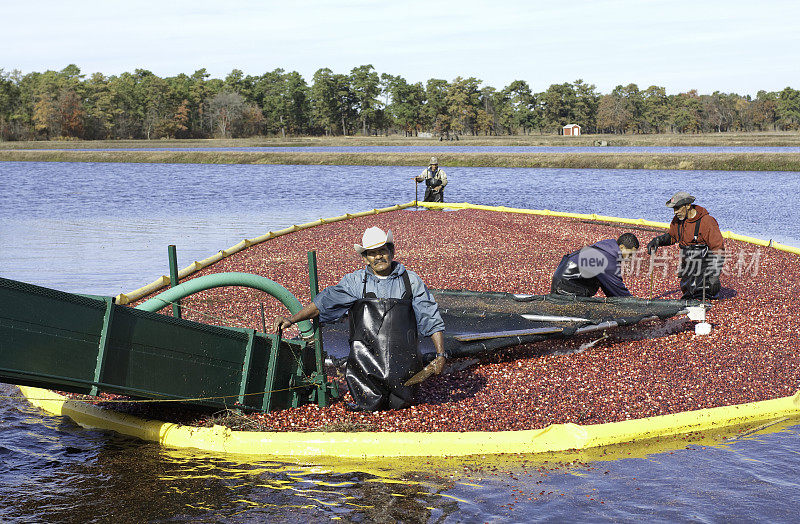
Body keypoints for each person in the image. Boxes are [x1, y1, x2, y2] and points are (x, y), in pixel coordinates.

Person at [273, 226, 446, 412]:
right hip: (366, 366)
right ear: (365, 258)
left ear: (392, 251)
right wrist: (292, 319)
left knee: (401, 406)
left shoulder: (410, 281)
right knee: (370, 406)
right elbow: (323, 303)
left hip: (403, 366)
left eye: (382, 251)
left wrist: (441, 354)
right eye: (372, 254)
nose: (378, 257)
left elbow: (430, 316)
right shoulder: (355, 282)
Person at [646, 191, 724, 300]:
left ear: (688, 205)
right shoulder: (677, 221)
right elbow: (672, 237)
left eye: (677, 208)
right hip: (687, 273)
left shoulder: (707, 222)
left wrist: (714, 275)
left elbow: (718, 249)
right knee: (687, 299)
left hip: (705, 275)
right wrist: (658, 241)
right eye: (674, 209)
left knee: (705, 302)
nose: (675, 212)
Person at [550, 233, 640, 297]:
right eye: (630, 254)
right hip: (566, 285)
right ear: (622, 247)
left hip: (563, 278)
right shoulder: (608, 259)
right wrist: (632, 303)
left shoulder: (605, 247)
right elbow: (616, 288)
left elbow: (608, 286)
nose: (630, 257)